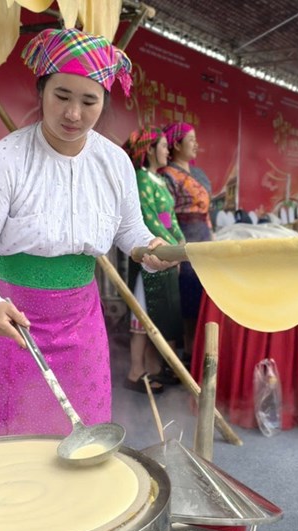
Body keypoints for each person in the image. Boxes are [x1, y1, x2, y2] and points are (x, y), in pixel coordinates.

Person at [0, 28, 174, 442]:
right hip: (10, 318)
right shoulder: (3, 161)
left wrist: (147, 249)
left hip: (80, 320)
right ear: (41, 91)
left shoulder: (114, 163)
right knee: (2, 437)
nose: (73, 113)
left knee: (77, 437)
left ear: (104, 101)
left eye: (88, 101)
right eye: (61, 96)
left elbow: (129, 229)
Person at [122, 126, 186, 393]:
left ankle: (154, 367)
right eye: (162, 145)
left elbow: (170, 219)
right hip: (152, 252)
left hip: (167, 253)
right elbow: (147, 220)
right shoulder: (140, 179)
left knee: (160, 314)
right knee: (143, 313)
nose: (167, 150)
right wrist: (171, 248)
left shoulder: (159, 180)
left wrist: (181, 245)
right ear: (148, 150)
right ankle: (135, 370)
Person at [159, 122, 211, 360]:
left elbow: (207, 210)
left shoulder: (198, 173)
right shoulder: (166, 175)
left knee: (202, 294)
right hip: (183, 237)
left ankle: (199, 348)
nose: (196, 145)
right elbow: (166, 214)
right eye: (191, 140)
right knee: (186, 294)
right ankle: (187, 351)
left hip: (203, 237)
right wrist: (173, 243)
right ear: (176, 144)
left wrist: (211, 233)